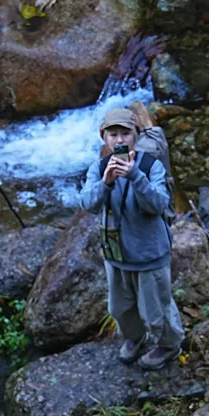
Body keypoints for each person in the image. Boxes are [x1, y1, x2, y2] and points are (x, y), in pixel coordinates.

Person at [78, 106, 183, 370]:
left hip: (148, 255)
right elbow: (87, 203)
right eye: (113, 134)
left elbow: (158, 204)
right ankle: (134, 338)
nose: (120, 140)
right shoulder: (99, 167)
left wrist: (134, 175)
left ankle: (169, 346)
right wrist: (106, 182)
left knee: (156, 310)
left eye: (125, 133)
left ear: (135, 135)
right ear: (104, 138)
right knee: (120, 309)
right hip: (116, 255)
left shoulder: (150, 166)